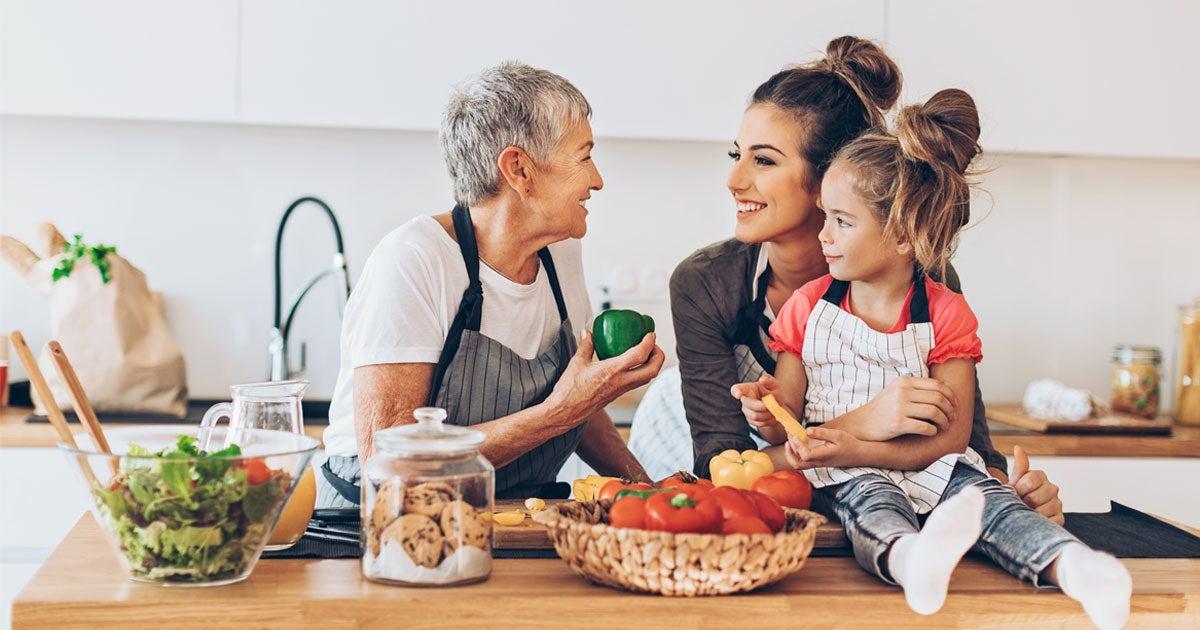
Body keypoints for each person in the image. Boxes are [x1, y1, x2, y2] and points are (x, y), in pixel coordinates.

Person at [739, 88, 1131, 626]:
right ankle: (912, 561)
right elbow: (785, 427)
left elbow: (953, 439)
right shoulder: (807, 309)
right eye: (825, 216)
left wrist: (864, 444)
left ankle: (1078, 569)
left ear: (903, 235)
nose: (823, 235)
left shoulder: (948, 314)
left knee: (997, 505)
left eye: (841, 221)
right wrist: (766, 408)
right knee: (873, 507)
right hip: (849, 472)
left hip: (939, 466)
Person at [633, 35, 1064, 522]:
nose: (734, 181)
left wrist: (1009, 493)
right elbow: (720, 471)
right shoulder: (705, 283)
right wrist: (866, 423)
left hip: (850, 480)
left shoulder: (923, 279)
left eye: (764, 160)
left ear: (831, 177)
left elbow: (966, 445)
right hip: (698, 440)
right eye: (738, 155)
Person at [318, 62, 663, 508]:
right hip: (378, 529)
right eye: (584, 156)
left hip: (509, 514)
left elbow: (576, 400)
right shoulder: (414, 260)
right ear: (519, 169)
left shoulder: (560, 252)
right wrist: (560, 412)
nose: (597, 179)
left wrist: (645, 488)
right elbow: (390, 465)